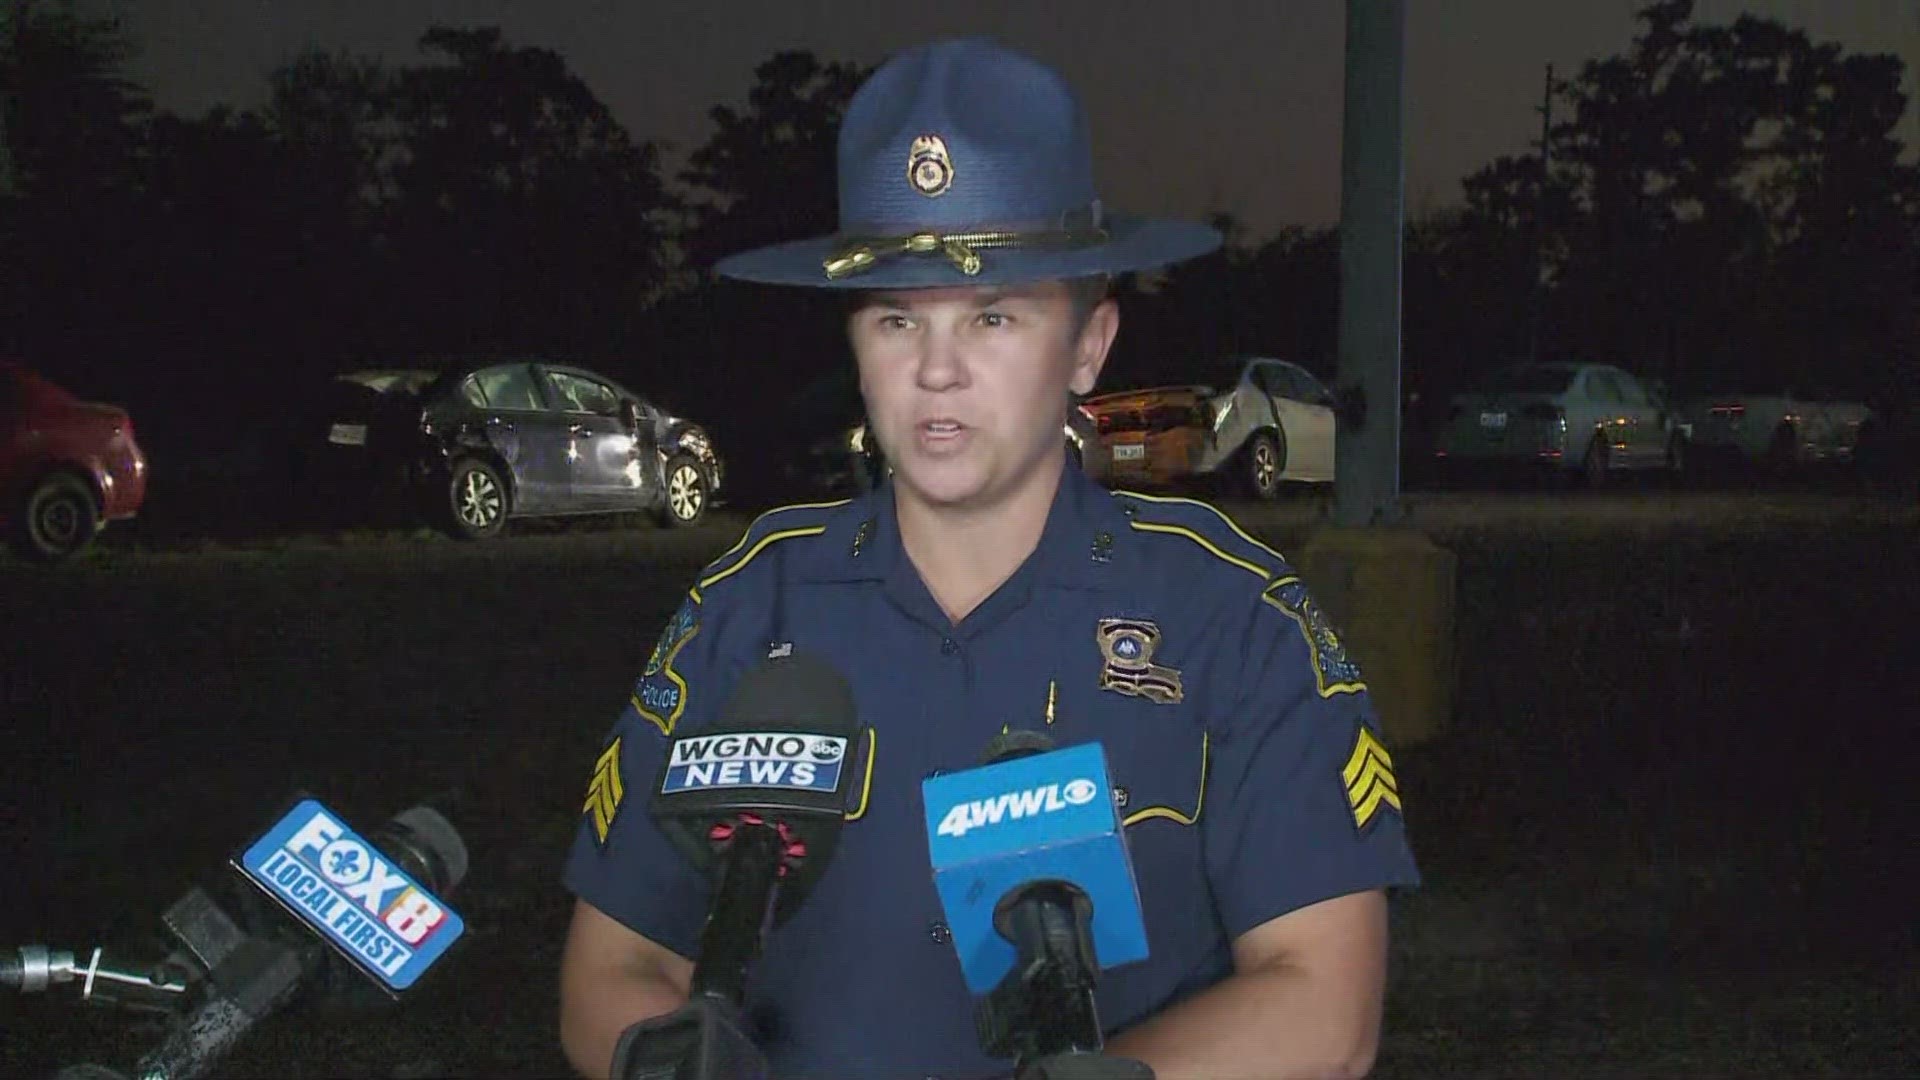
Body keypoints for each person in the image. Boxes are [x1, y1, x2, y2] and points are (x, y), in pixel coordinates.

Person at [559, 37, 1420, 1080]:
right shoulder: (748, 607)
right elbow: (615, 965)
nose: (935, 372)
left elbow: (1324, 1000)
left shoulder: (1232, 619)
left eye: (994, 316)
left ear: (1090, 345)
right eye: (894, 320)